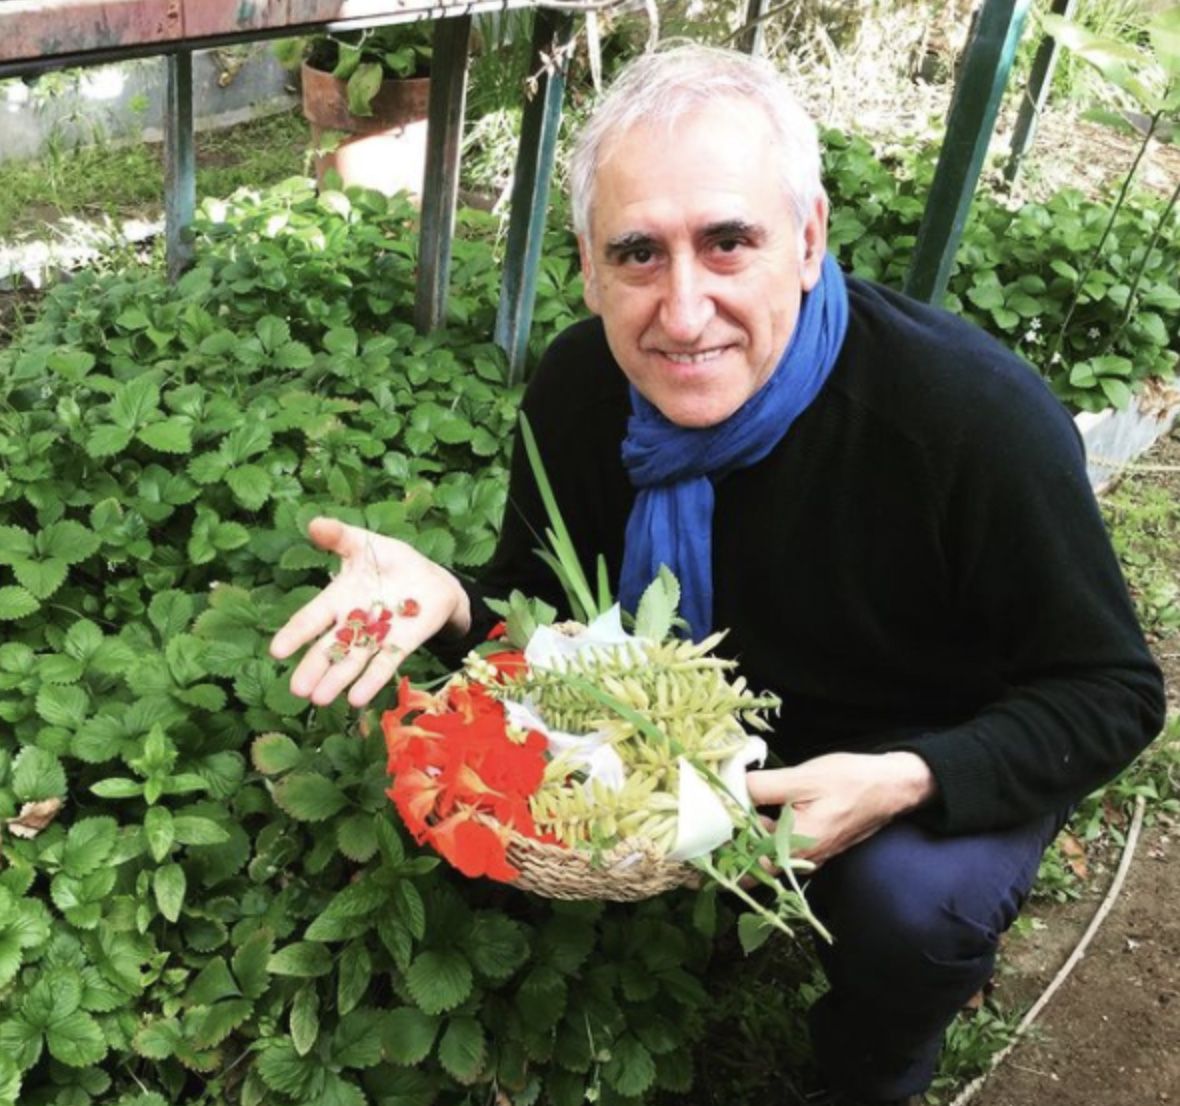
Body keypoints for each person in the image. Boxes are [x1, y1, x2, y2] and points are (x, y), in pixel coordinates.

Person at [270, 43, 1165, 1106]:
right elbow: (553, 613)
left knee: (906, 903)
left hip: (920, 743)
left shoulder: (965, 419)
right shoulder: (580, 388)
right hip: (718, 735)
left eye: (728, 241)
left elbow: (1111, 691)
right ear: (589, 263)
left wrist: (906, 776)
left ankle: (871, 1064)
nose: (683, 311)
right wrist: (459, 600)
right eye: (638, 253)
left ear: (808, 237)